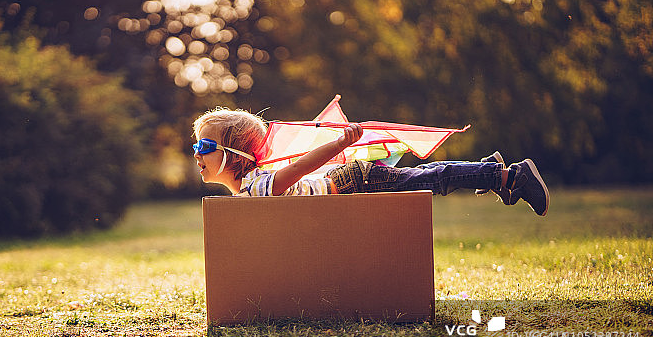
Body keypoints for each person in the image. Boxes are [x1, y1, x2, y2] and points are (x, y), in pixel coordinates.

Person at [192, 107, 549, 216]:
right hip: (348, 182)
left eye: (204, 146)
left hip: (354, 182)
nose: (196, 154)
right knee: (424, 176)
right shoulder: (245, 193)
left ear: (235, 152)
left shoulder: (257, 187)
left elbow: (298, 169)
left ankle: (509, 176)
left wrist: (338, 143)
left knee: (428, 181)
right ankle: (485, 171)